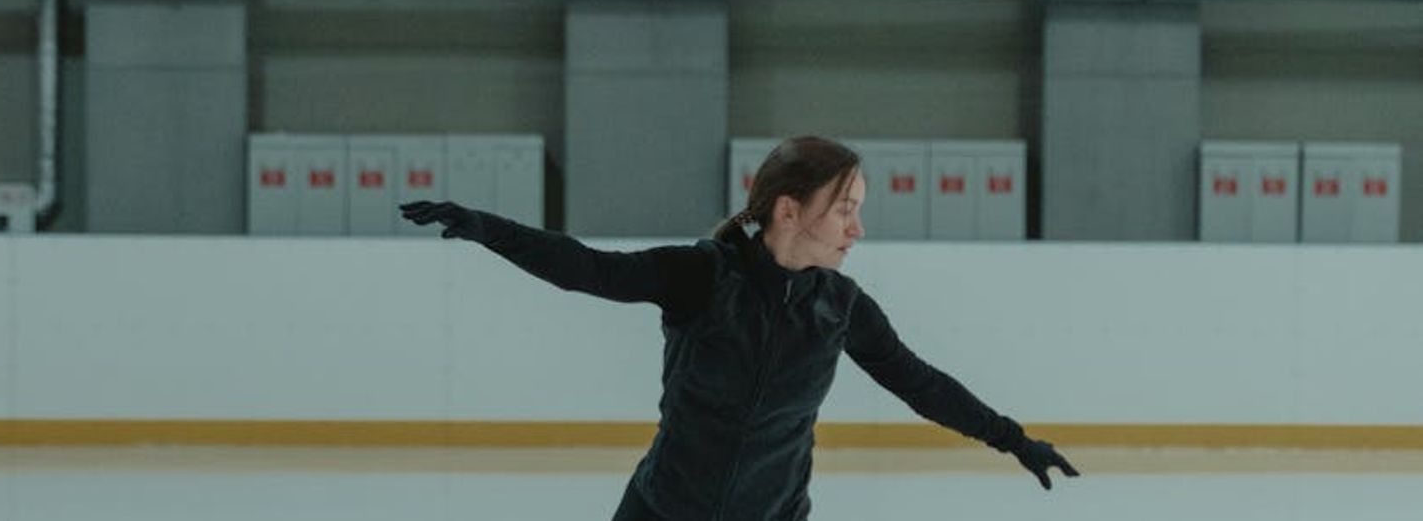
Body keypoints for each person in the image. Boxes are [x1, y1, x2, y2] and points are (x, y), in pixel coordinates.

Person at [400, 135, 1078, 521]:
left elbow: (920, 382)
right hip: (664, 510)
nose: (857, 229)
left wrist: (1012, 439)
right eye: (844, 209)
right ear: (789, 209)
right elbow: (588, 269)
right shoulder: (703, 276)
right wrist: (486, 228)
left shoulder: (841, 307)